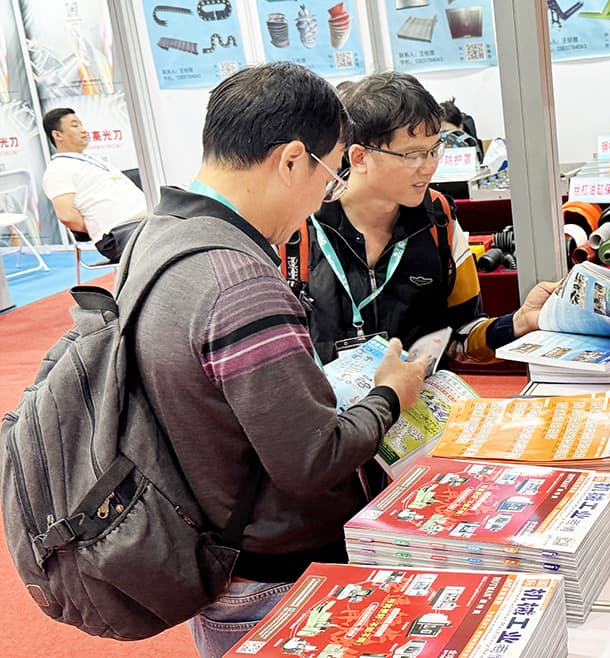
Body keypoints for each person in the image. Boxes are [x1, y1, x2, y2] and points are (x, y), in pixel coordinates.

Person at [126, 62, 428, 658]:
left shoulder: (155, 235)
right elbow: (313, 460)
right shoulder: (239, 281)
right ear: (292, 160)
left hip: (213, 545)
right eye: (330, 175)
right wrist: (390, 393)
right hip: (276, 579)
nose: (325, 197)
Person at [307, 71, 555, 366]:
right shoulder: (302, 228)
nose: (429, 167)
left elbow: (463, 334)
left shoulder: (440, 218)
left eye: (434, 150)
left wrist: (519, 322)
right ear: (360, 157)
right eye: (413, 155)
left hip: (422, 392)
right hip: (331, 396)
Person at [41, 107, 147, 262]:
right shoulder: (58, 170)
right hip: (120, 233)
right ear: (57, 135)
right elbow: (67, 216)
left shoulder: (92, 159)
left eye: (81, 124)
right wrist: (100, 227)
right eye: (75, 125)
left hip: (144, 222)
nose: (83, 130)